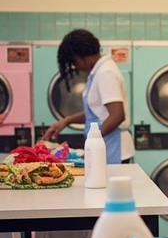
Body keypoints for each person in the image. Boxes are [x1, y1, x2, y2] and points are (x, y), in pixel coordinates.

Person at [44, 29, 133, 163]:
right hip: (104, 146)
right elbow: (97, 112)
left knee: (107, 184)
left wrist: (93, 141)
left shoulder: (105, 73)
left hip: (113, 148)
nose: (75, 66)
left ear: (82, 56)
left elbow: (117, 115)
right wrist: (66, 120)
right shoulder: (97, 73)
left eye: (74, 61)